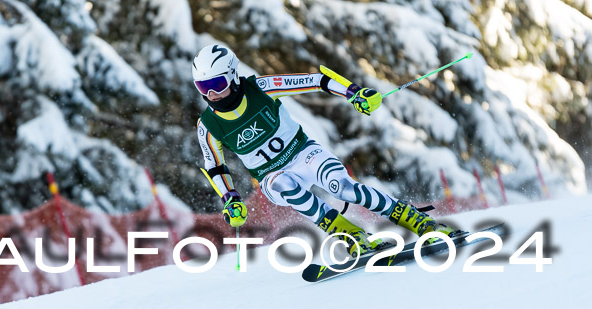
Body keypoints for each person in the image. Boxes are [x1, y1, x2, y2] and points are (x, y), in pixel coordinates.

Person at [192, 44, 454, 257]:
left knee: (344, 188)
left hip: (303, 153)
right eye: (204, 87)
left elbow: (316, 80)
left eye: (217, 83)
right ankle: (351, 235)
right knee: (285, 184)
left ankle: (418, 221)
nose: (212, 94)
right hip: (271, 176)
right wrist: (230, 199)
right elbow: (214, 166)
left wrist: (354, 93)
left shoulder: (260, 88)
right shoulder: (208, 126)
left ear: (233, 75)